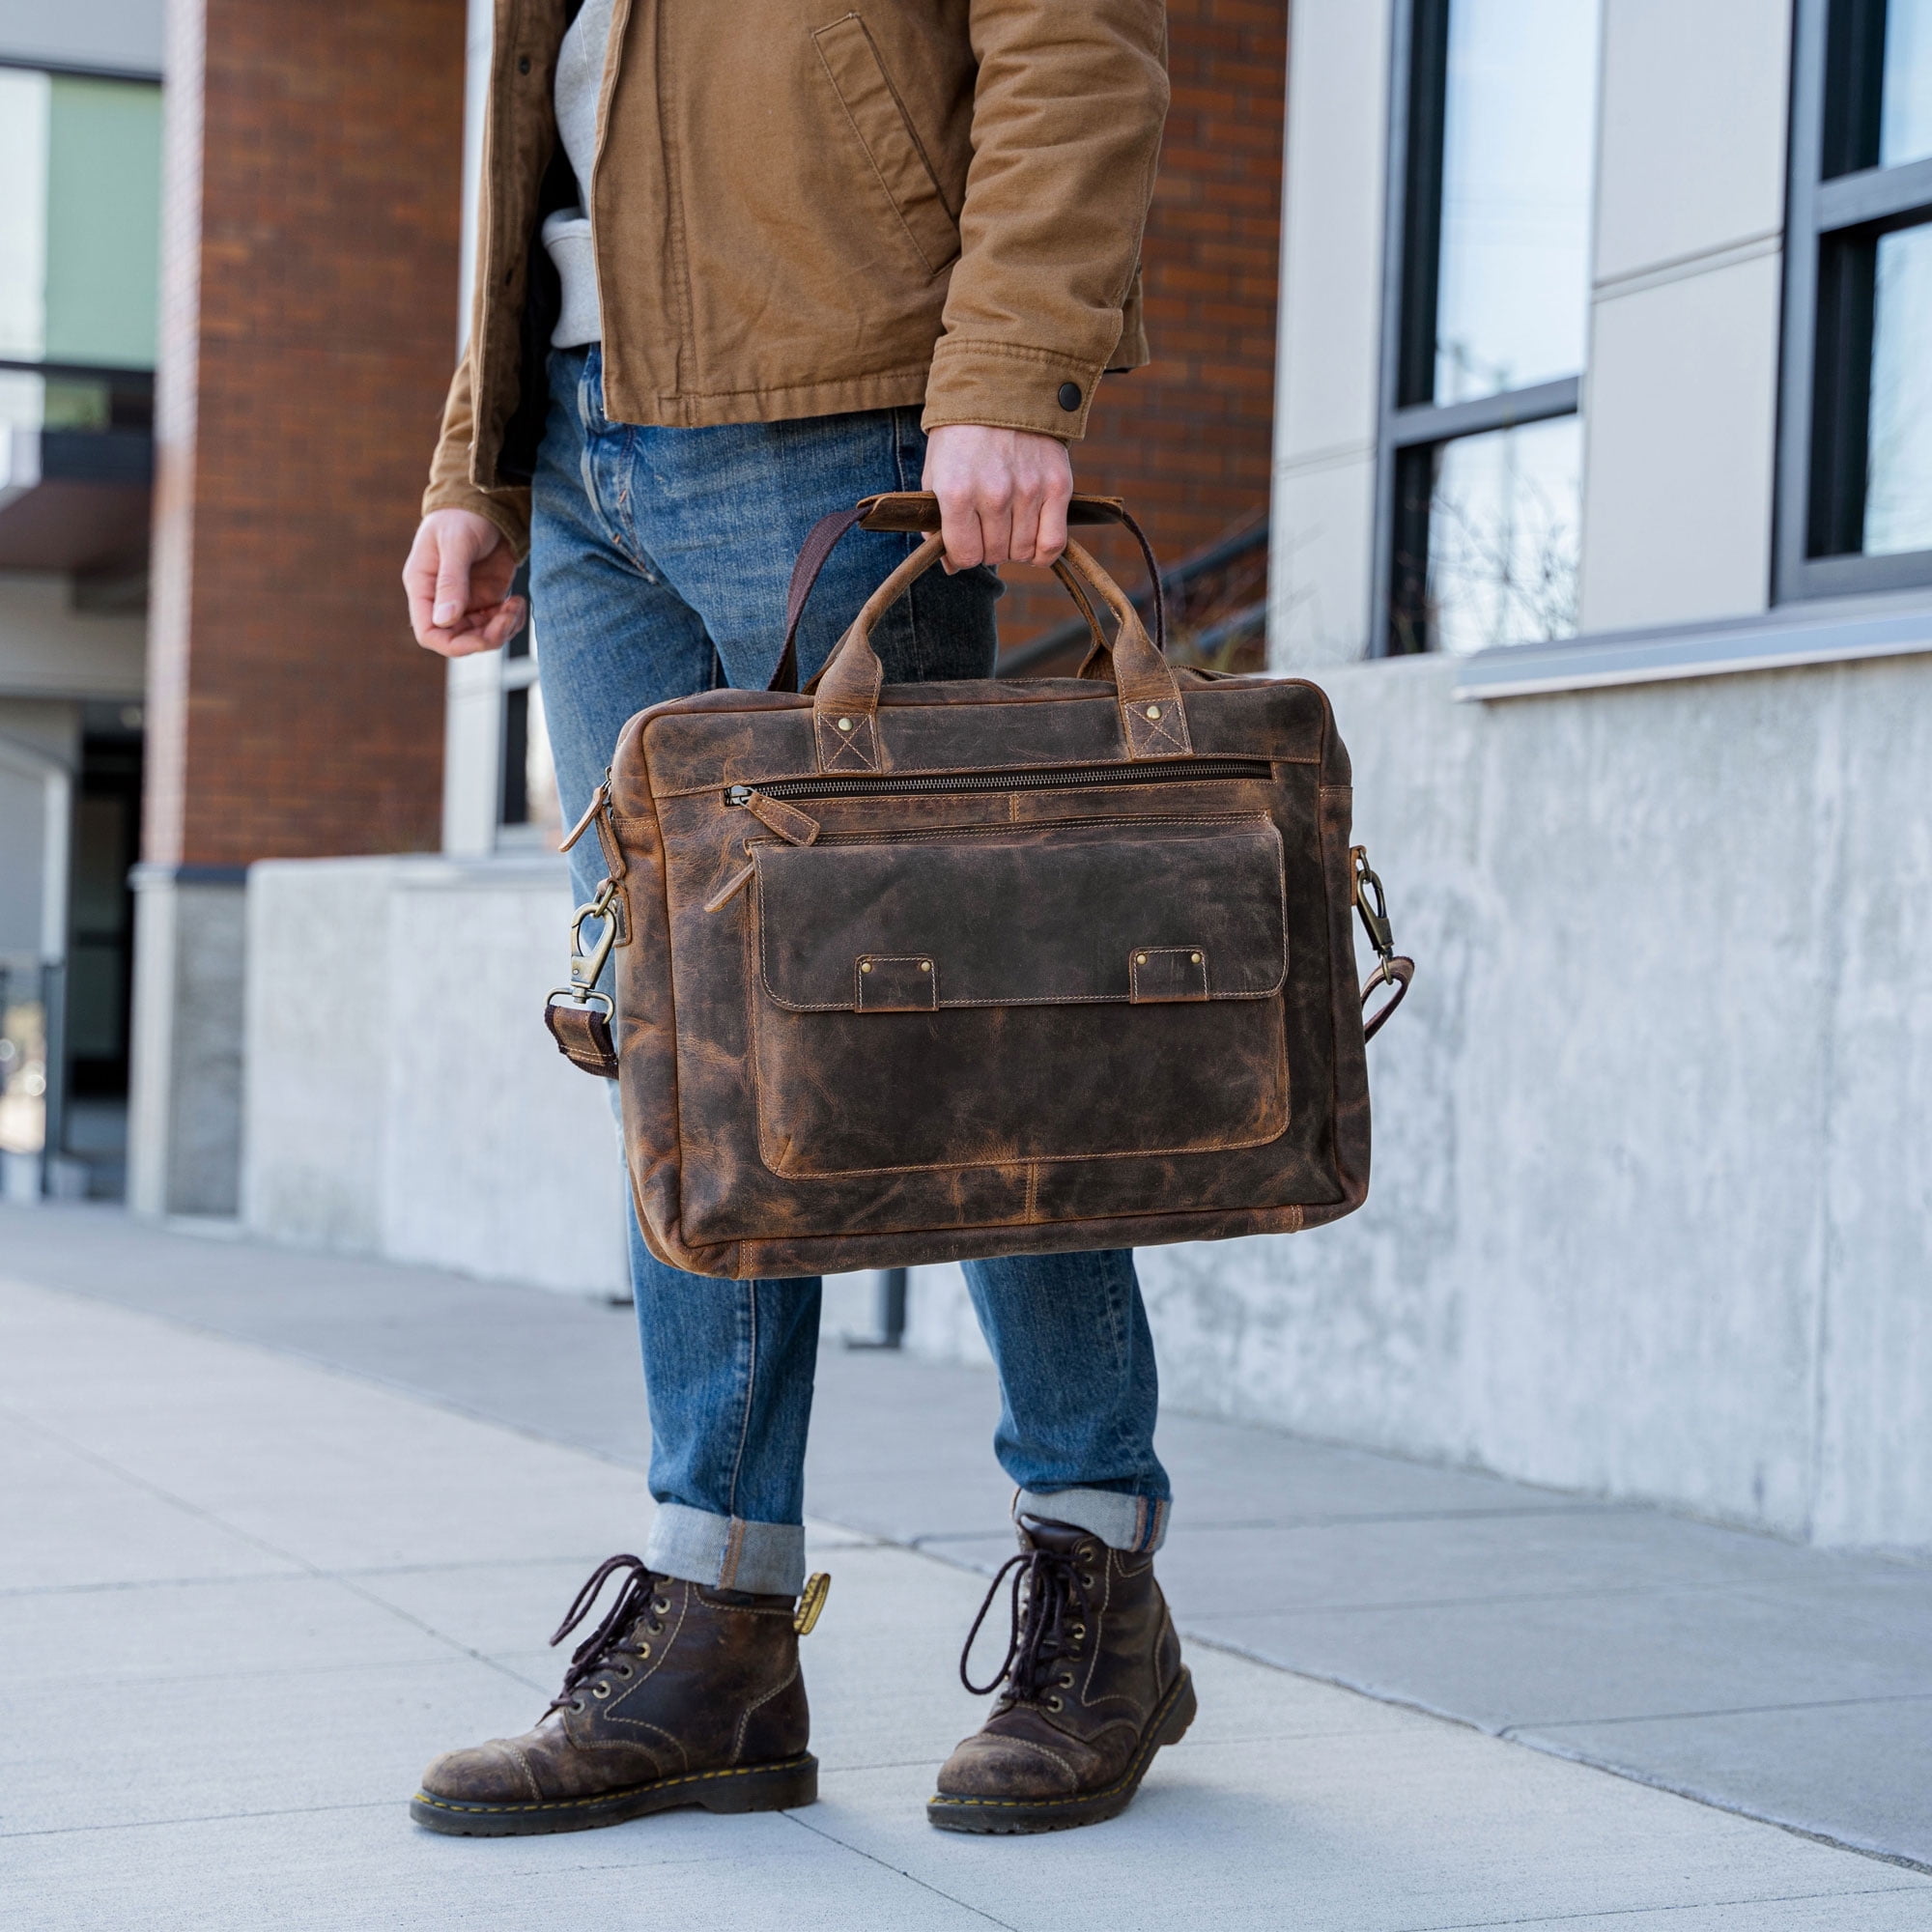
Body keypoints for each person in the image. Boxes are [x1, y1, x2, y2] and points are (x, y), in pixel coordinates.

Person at [402, 0, 1186, 1838]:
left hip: (833, 399)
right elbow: (535, 114)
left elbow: (1076, 34)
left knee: (955, 1029)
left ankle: (1100, 1585)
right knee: (685, 1051)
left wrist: (1012, 360)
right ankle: (720, 1626)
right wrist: (479, 454)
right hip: (589, 438)